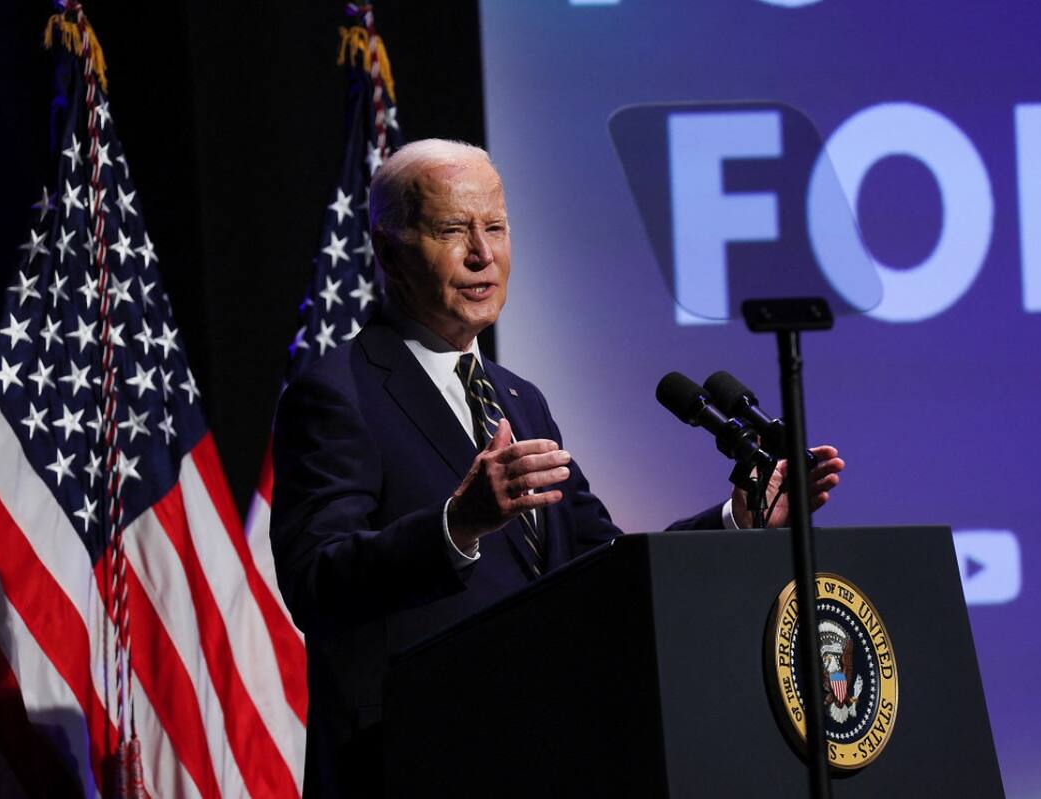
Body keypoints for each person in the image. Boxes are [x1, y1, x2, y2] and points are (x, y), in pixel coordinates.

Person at [270, 139, 844, 796]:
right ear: (390, 252)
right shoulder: (337, 393)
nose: (482, 254)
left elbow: (605, 567)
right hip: (413, 763)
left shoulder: (519, 398)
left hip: (543, 755)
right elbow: (316, 581)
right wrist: (458, 523)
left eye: (495, 228)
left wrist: (735, 520)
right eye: (453, 230)